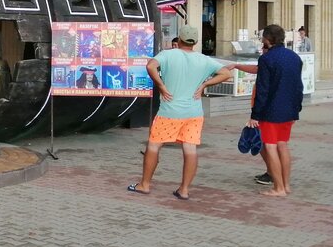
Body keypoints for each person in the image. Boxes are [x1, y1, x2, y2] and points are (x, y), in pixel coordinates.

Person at [126, 25, 231, 200]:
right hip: (194, 113)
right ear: (195, 42)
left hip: (169, 111)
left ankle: (145, 184)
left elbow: (151, 66)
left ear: (179, 39)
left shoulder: (168, 54)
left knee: (154, 145)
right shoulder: (204, 60)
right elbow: (226, 73)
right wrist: (205, 84)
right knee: (190, 149)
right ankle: (184, 190)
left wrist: (161, 85)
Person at [248, 24, 304, 197]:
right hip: (289, 109)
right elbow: (298, 86)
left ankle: (278, 188)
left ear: (267, 39)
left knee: (270, 146)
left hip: (271, 110)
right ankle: (286, 185)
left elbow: (262, 90)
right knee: (283, 145)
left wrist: (255, 114)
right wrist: (297, 107)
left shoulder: (266, 59)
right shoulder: (295, 57)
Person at [231, 44, 273, 186]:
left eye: (265, 46)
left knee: (263, 143)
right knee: (264, 142)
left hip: (264, 111)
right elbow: (256, 69)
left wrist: (255, 115)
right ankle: (271, 171)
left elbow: (262, 91)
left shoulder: (269, 62)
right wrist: (236, 65)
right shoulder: (269, 63)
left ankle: (272, 173)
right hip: (264, 110)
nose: (262, 49)